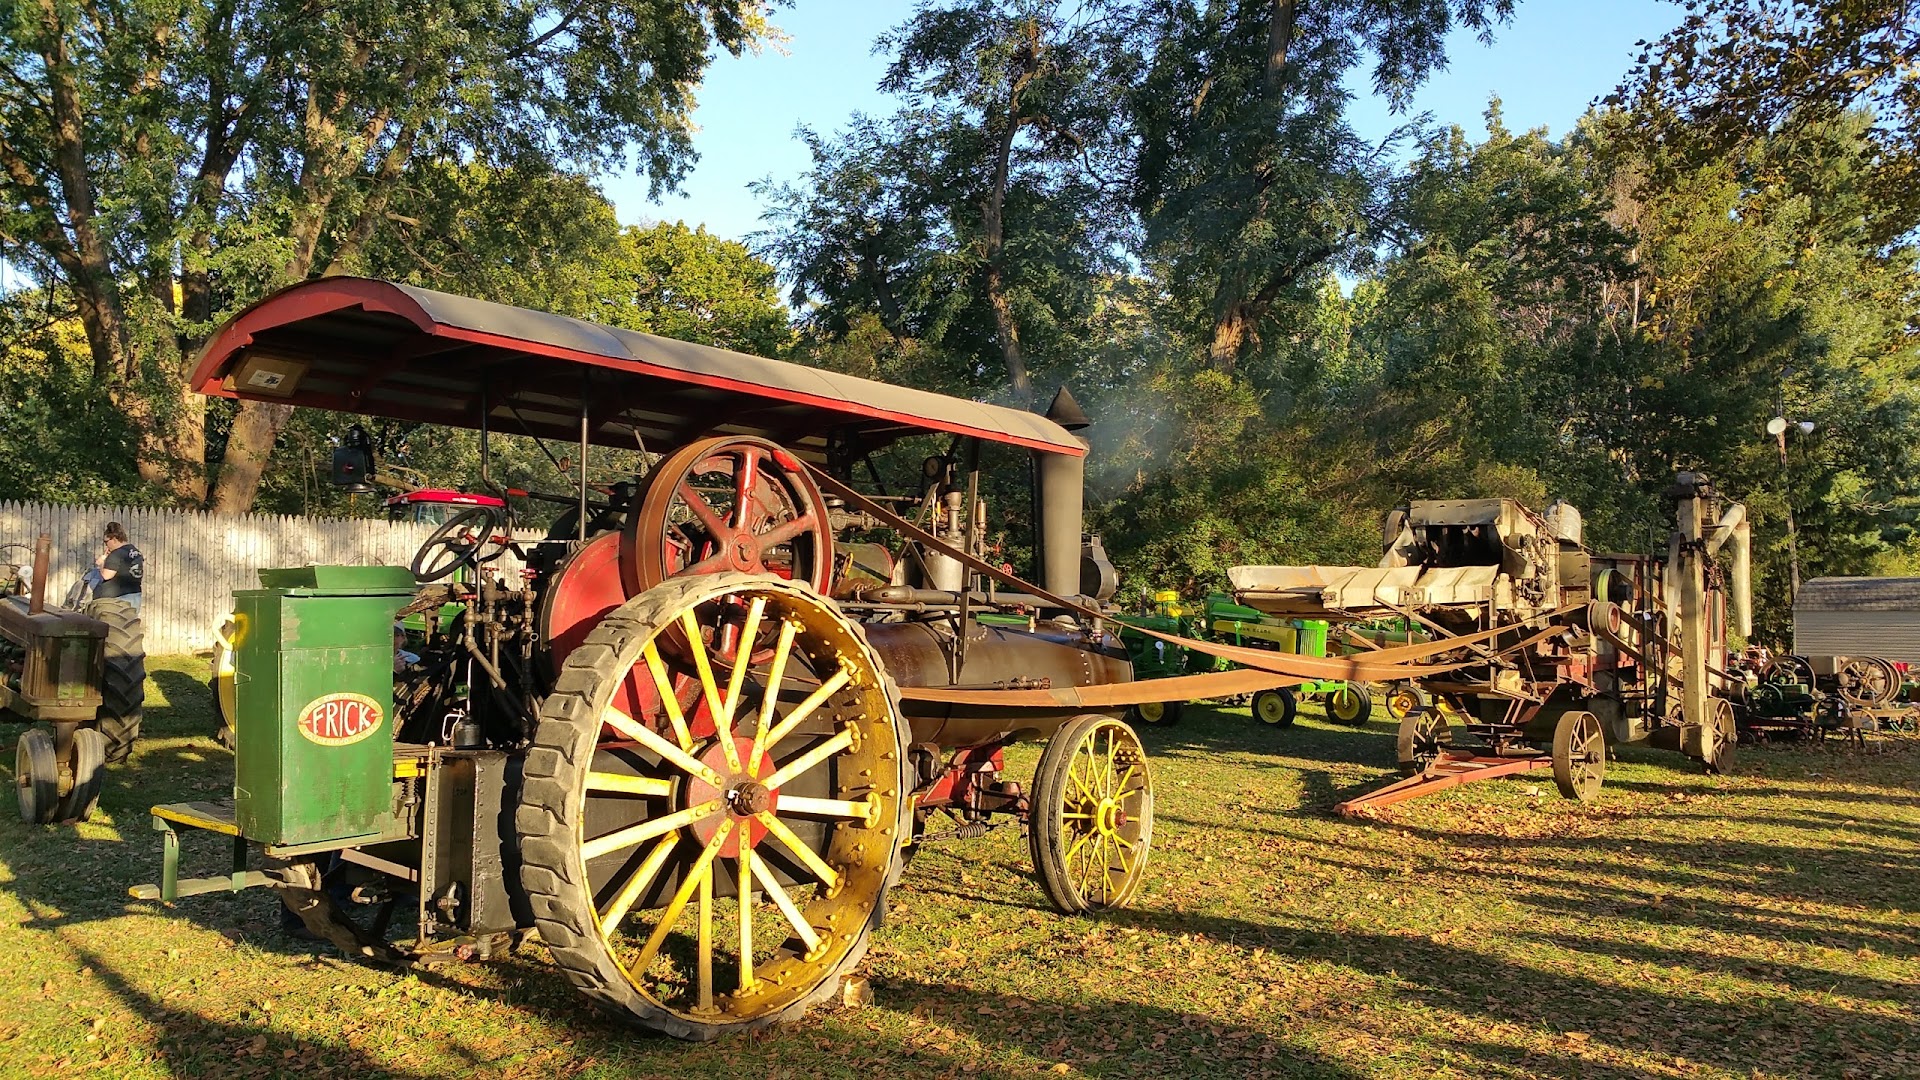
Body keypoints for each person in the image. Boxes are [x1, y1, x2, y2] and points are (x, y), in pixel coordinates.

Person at [92, 521, 144, 609]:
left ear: (114, 539)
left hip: (117, 600)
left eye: (106, 541)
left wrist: (101, 562)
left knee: (111, 623)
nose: (106, 545)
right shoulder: (135, 551)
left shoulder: (116, 554)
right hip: (135, 595)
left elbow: (106, 576)